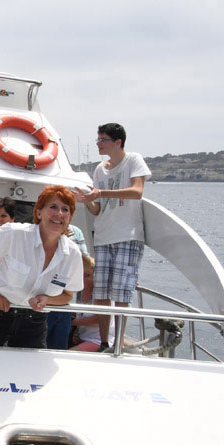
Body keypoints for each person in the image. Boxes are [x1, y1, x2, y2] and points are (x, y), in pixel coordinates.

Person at [0, 185, 84, 348]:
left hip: (34, 324)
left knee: (30, 373)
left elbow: (67, 295)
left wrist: (48, 300)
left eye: (65, 209)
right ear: (38, 212)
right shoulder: (15, 233)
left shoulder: (72, 254)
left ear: (70, 218)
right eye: (53, 207)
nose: (59, 214)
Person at [74, 122, 151, 349]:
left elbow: (137, 192)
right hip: (104, 236)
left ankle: (118, 342)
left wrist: (101, 192)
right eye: (98, 139)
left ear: (117, 142)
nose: (98, 143)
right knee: (102, 293)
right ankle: (105, 342)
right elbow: (98, 208)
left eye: (102, 140)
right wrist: (87, 200)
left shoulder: (133, 160)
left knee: (121, 293)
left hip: (127, 235)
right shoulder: (100, 169)